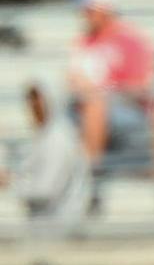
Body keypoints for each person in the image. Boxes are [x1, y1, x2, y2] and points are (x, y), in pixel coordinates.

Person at [66, 0, 154, 165]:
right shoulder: (84, 41)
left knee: (96, 105)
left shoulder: (130, 40)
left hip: (126, 109)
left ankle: (90, 170)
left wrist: (104, 91)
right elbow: (73, 80)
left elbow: (141, 88)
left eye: (90, 10)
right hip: (87, 106)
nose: (85, 14)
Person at [0, 83, 91, 234]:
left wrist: (10, 183)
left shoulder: (57, 139)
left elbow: (45, 190)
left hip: (57, 227)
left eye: (37, 99)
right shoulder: (47, 136)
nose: (33, 105)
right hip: (46, 225)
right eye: (30, 100)